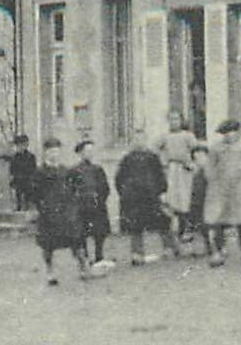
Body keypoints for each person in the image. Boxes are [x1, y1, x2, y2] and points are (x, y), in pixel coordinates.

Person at [115, 130, 179, 265]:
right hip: (134, 199)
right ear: (133, 141)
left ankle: (169, 248)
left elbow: (160, 176)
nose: (139, 142)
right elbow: (119, 179)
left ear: (145, 140)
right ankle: (137, 253)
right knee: (135, 226)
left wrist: (162, 191)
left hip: (151, 197)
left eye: (142, 139)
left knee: (163, 221)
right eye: (136, 139)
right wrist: (125, 193)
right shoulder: (127, 159)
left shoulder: (152, 158)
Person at [31, 139, 87, 285]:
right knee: (48, 244)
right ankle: (50, 272)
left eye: (56, 151)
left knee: (75, 240)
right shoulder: (40, 172)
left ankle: (82, 267)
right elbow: (34, 193)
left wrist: (73, 205)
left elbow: (74, 188)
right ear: (45, 153)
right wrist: (39, 207)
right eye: (50, 152)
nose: (53, 155)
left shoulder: (66, 171)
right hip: (48, 212)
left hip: (66, 212)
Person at [203, 120, 241, 266]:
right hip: (221, 189)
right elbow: (209, 167)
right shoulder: (216, 149)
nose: (230, 135)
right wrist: (213, 182)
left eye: (234, 131)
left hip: (239, 188)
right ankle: (219, 249)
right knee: (220, 218)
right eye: (227, 132)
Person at [72, 140, 112, 269]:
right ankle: (85, 258)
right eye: (87, 151)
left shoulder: (98, 169)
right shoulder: (74, 171)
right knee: (82, 233)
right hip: (82, 207)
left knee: (99, 232)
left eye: (91, 150)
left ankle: (99, 256)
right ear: (81, 153)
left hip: (97, 205)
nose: (90, 153)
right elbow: (70, 189)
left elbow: (105, 187)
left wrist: (100, 199)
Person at [158, 111, 196, 229]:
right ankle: (171, 228)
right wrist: (164, 162)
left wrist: (190, 163)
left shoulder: (187, 136)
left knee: (184, 198)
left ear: (181, 121)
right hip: (172, 170)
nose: (174, 122)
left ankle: (185, 227)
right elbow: (155, 149)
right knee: (172, 199)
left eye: (177, 119)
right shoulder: (165, 136)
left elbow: (195, 150)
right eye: (172, 120)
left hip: (184, 169)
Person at [8, 134, 37, 212]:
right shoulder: (14, 158)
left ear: (25, 145)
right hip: (18, 182)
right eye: (18, 145)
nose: (19, 147)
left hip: (28, 182)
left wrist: (31, 181)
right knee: (18, 199)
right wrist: (12, 180)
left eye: (21, 145)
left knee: (28, 200)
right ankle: (18, 209)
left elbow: (33, 171)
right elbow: (12, 171)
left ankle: (27, 209)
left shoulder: (31, 157)